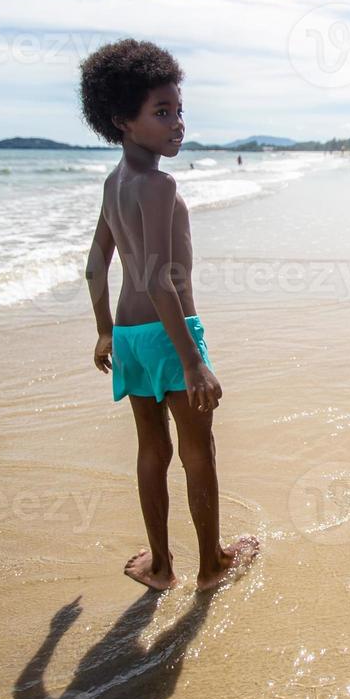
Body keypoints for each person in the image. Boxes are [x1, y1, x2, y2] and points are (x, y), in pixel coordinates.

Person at [81, 38, 259, 593]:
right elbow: (162, 278)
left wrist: (105, 331)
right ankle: (211, 565)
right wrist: (193, 363)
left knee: (151, 451)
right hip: (169, 333)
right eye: (161, 112)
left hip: (132, 336)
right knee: (197, 449)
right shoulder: (157, 185)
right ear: (122, 121)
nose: (177, 123)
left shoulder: (114, 184)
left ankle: (160, 566)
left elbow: (94, 267)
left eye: (178, 110)